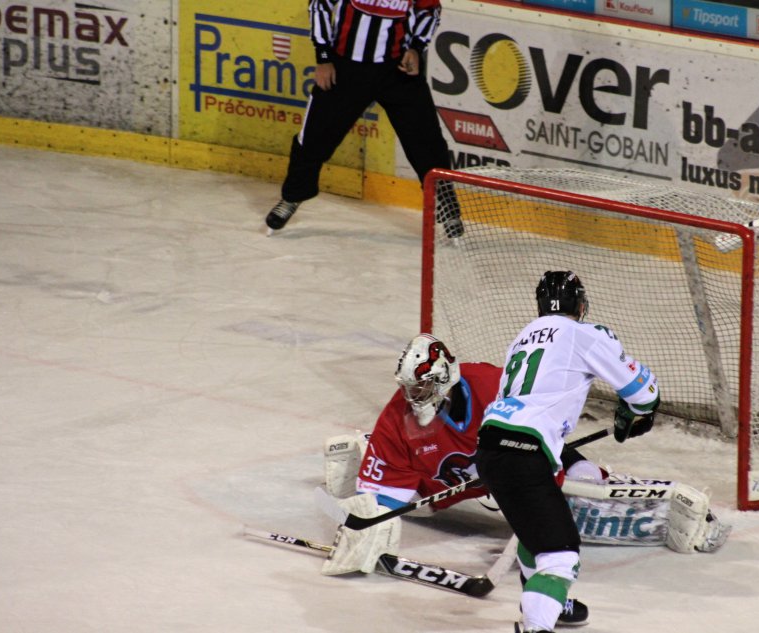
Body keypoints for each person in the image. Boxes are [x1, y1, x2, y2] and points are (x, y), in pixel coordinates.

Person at [321, 332, 729, 627]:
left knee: (583, 484)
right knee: (430, 502)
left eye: (424, 385)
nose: (414, 395)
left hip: (510, 463)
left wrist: (567, 466)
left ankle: (660, 512)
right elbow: (383, 500)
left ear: (445, 378)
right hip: (448, 486)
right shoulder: (398, 419)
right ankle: (364, 448)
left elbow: (544, 429)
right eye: (410, 386)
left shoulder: (493, 386)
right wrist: (365, 526)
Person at [474, 270, 661, 633]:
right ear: (581, 304)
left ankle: (548, 605)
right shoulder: (584, 333)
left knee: (535, 536)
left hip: (490, 446)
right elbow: (644, 394)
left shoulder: (522, 338)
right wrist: (633, 414)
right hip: (525, 450)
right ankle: (537, 625)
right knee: (560, 557)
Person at [264, 0, 463, 238]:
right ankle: (293, 197)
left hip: (398, 71)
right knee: (314, 137)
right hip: (345, 69)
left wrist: (416, 48)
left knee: (427, 142)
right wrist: (323, 58)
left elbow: (430, 10)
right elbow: (320, 5)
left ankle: (446, 206)